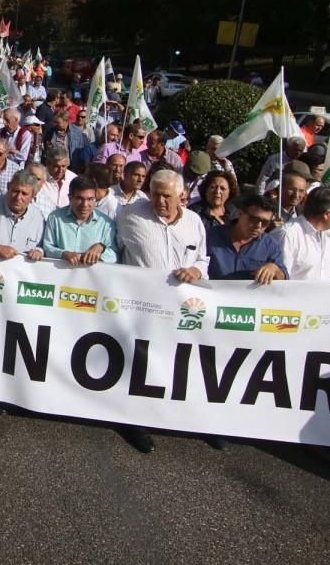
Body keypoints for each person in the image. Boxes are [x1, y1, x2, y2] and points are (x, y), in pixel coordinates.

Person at [114, 168, 209, 454]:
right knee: (139, 363)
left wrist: (195, 269)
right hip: (141, 307)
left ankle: (175, 417)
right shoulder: (129, 215)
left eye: (167, 196)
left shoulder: (194, 222)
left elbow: (204, 258)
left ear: (182, 196)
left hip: (181, 309)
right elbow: (110, 246)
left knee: (173, 364)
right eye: (155, 194)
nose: (160, 201)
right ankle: (134, 420)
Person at [207, 194, 287, 283]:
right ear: (239, 213)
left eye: (265, 222)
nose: (258, 225)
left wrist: (275, 269)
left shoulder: (270, 245)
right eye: (253, 219)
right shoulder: (210, 236)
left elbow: (284, 278)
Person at [41, 175, 117, 265]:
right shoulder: (55, 218)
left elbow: (114, 256)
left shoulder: (106, 223)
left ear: (95, 199)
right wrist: (63, 254)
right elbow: (47, 248)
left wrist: (101, 249)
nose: (85, 204)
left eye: (90, 199)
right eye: (80, 199)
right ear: (70, 198)